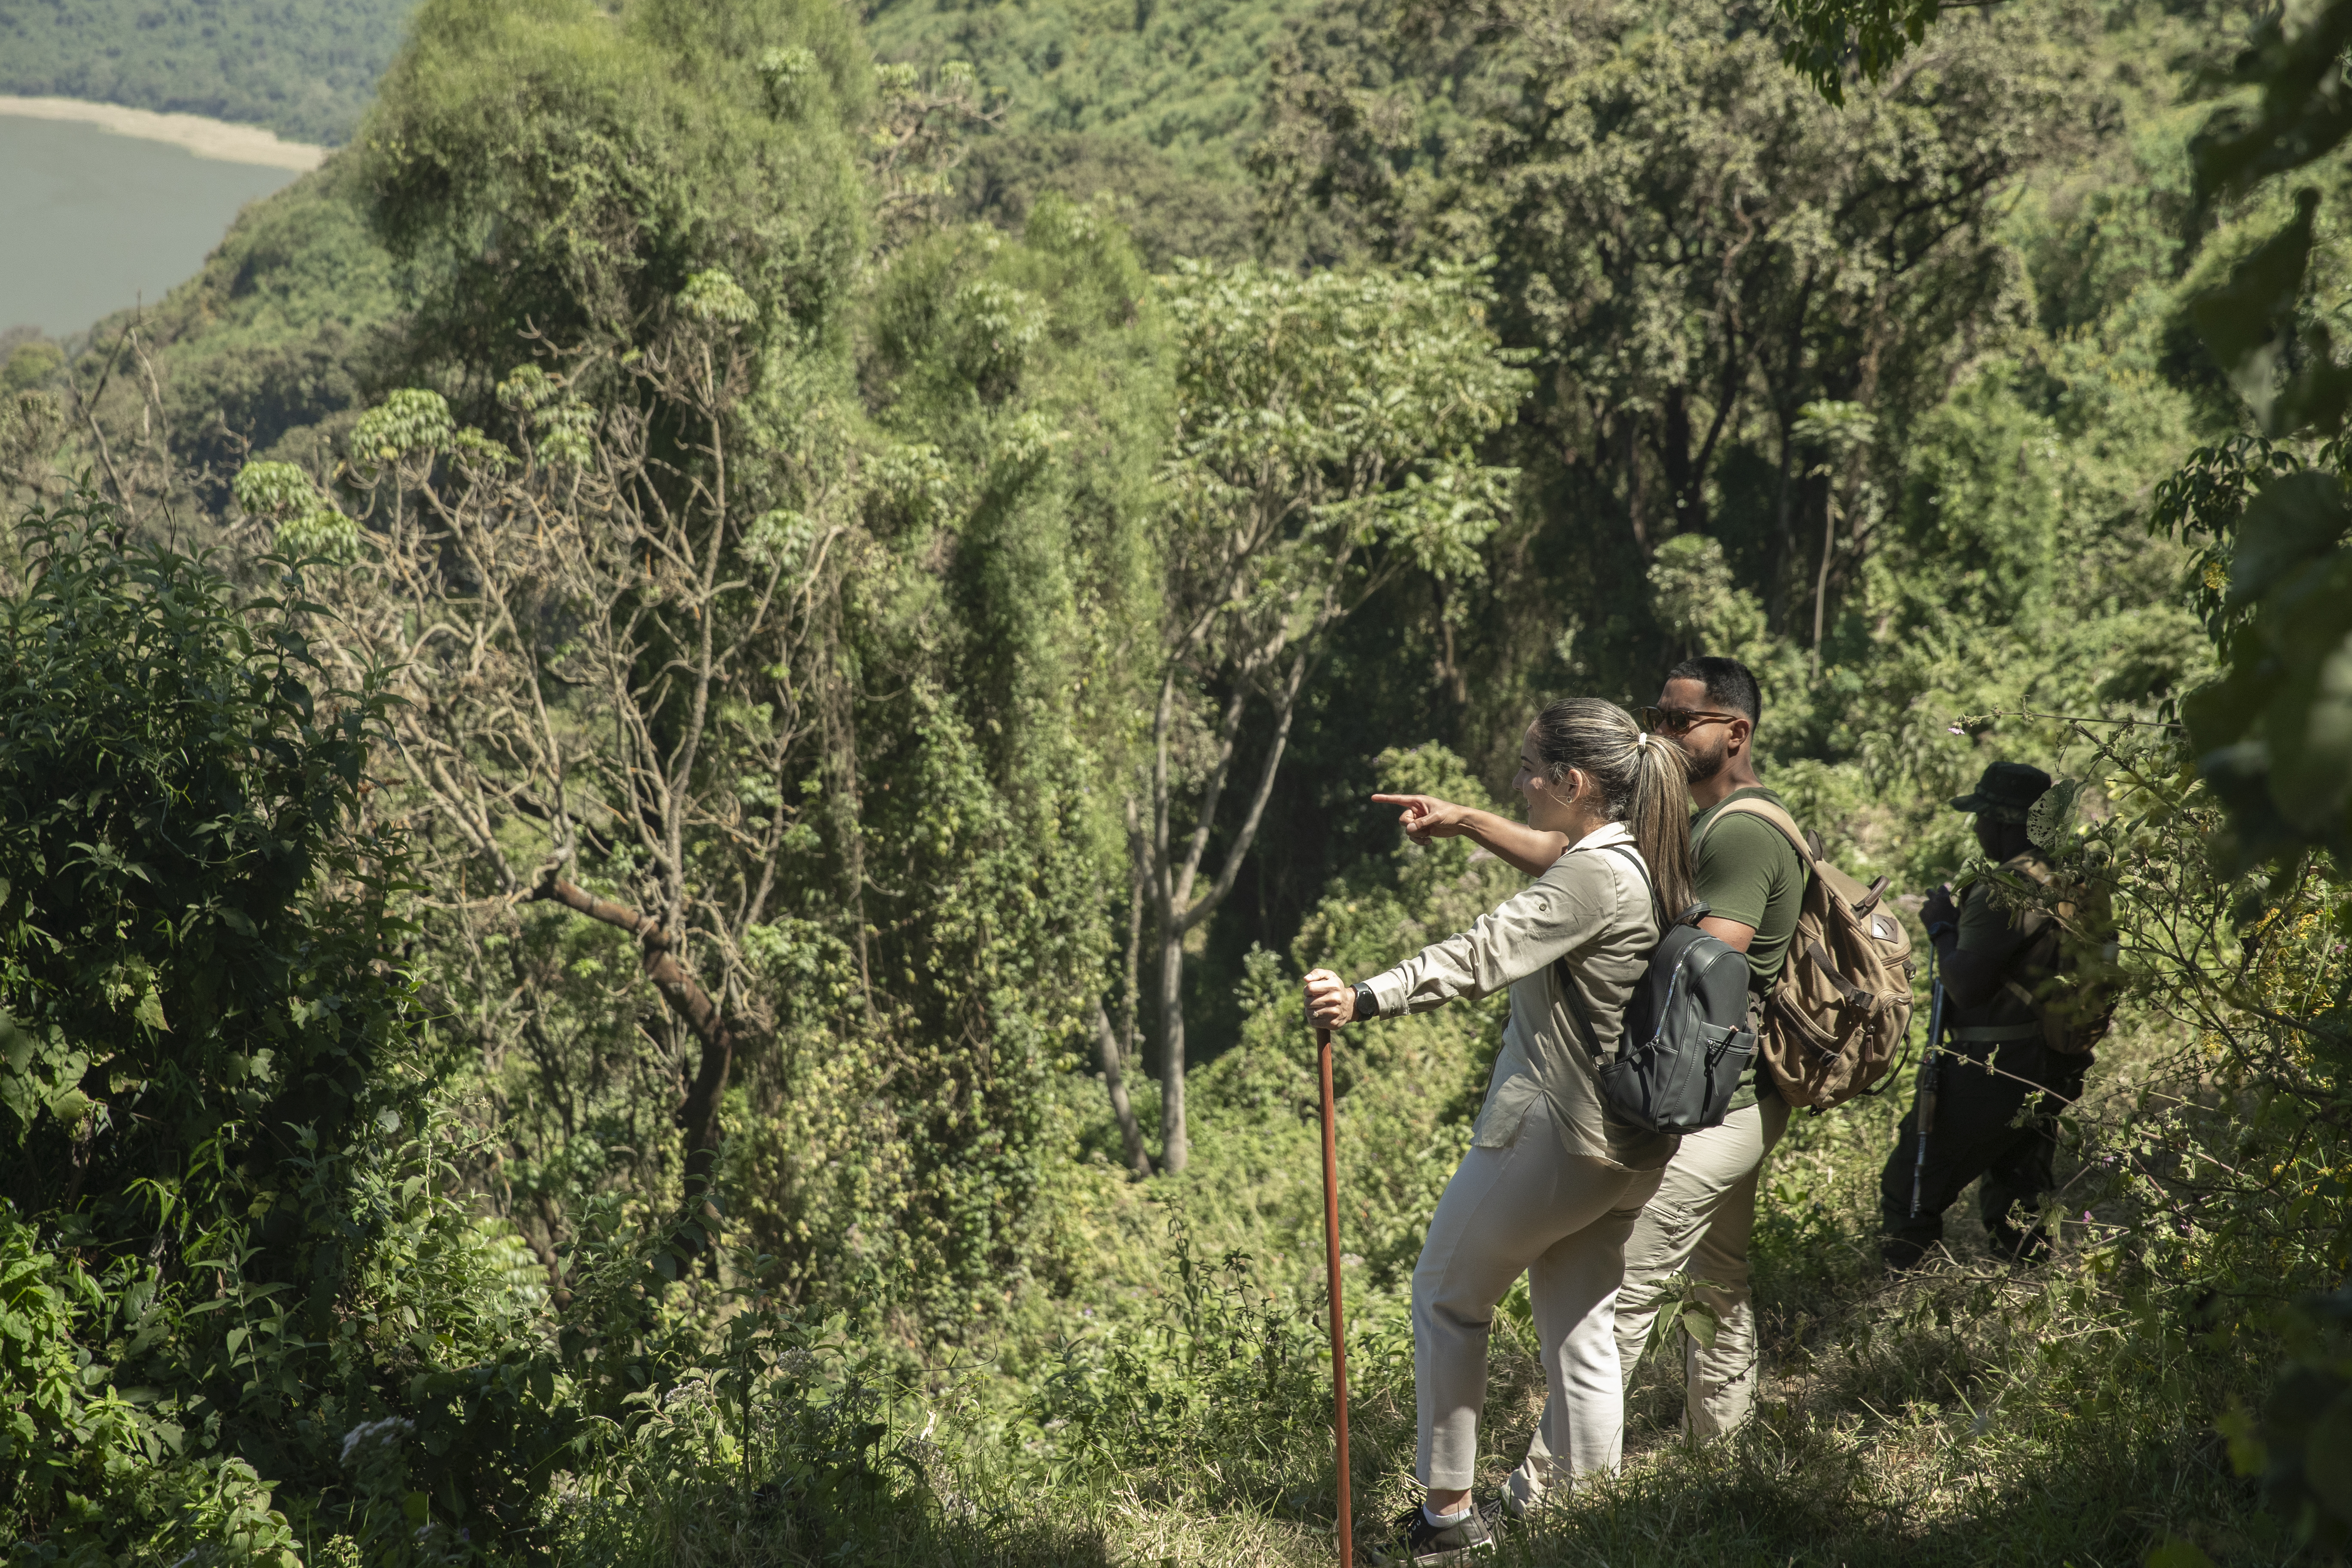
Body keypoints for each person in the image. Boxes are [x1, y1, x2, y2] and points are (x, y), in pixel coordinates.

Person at [1375, 655, 1809, 1497]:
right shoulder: (1677, 834)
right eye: (1657, 714)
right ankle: (1716, 1479)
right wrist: (1469, 822)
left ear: (1735, 731)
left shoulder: (1742, 833)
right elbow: (1582, 867)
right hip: (1709, 1102)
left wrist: (1600, 965)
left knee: (1604, 1322)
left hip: (1690, 1105)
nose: (1663, 732)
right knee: (1709, 1290)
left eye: (1681, 720)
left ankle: (1527, 1506)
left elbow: (1687, 964)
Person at [1304, 698, 1694, 1564]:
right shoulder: (1647, 856)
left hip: (1555, 1135)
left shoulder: (1592, 878)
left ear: (1572, 782)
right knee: (1584, 1336)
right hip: (1629, 1152)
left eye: (1529, 769)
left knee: (1448, 1296)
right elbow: (1557, 856)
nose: (1518, 782)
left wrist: (1363, 995)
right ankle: (1597, 1528)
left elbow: (1486, 951)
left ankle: (1448, 1520)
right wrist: (1469, 821)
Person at [1878, 761, 2085, 1271]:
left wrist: (1942, 927)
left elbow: (1967, 986)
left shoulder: (2005, 890)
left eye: (1982, 817)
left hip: (1997, 1061)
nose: (1976, 828)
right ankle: (2030, 1284)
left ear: (2004, 822)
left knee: (1912, 1182)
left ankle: (1902, 1282)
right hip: (2053, 1057)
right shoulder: (2069, 878)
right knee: (2019, 1179)